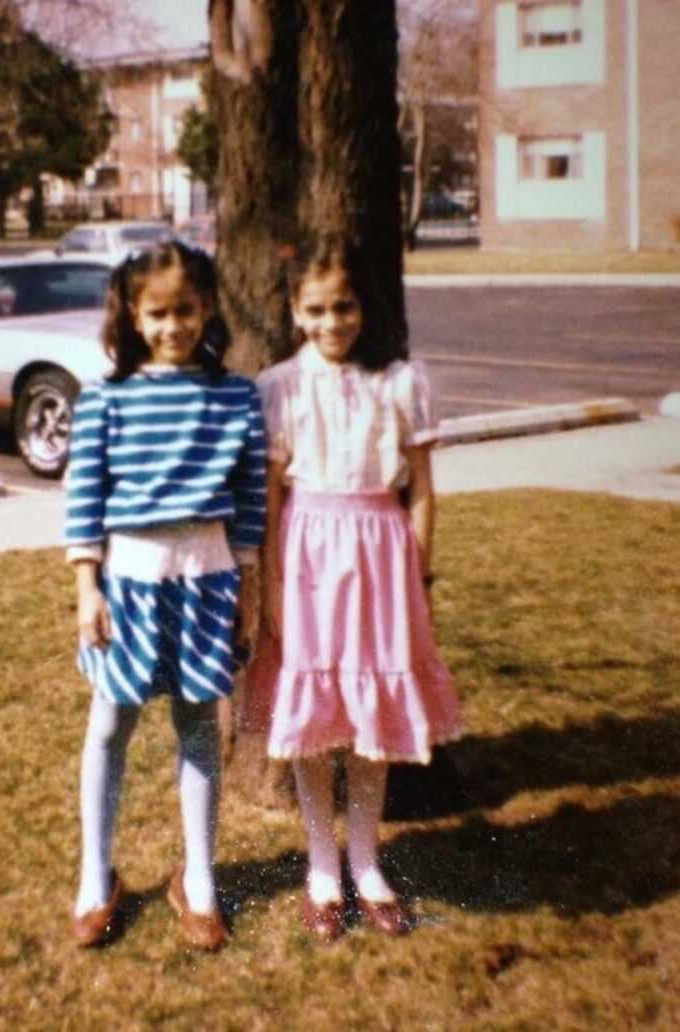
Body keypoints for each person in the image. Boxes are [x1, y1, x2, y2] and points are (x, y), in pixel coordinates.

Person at [244, 235, 461, 941]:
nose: (333, 321)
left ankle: (366, 860)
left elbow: (422, 492)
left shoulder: (399, 383)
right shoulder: (279, 387)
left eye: (345, 306)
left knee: (369, 716)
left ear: (364, 307)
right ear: (295, 311)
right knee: (314, 717)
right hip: (306, 561)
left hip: (381, 561)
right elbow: (272, 500)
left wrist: (418, 576)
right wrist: (272, 589)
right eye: (317, 308)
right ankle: (321, 865)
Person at [65, 241, 266, 951]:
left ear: (208, 309)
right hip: (127, 582)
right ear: (133, 315)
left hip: (208, 579)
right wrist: (87, 585)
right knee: (111, 725)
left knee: (198, 727)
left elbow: (248, 499)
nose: (173, 325)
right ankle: (97, 876)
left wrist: (249, 588)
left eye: (186, 310)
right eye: (158, 312)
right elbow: (84, 498)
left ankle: (199, 878)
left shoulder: (236, 395)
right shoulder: (106, 399)